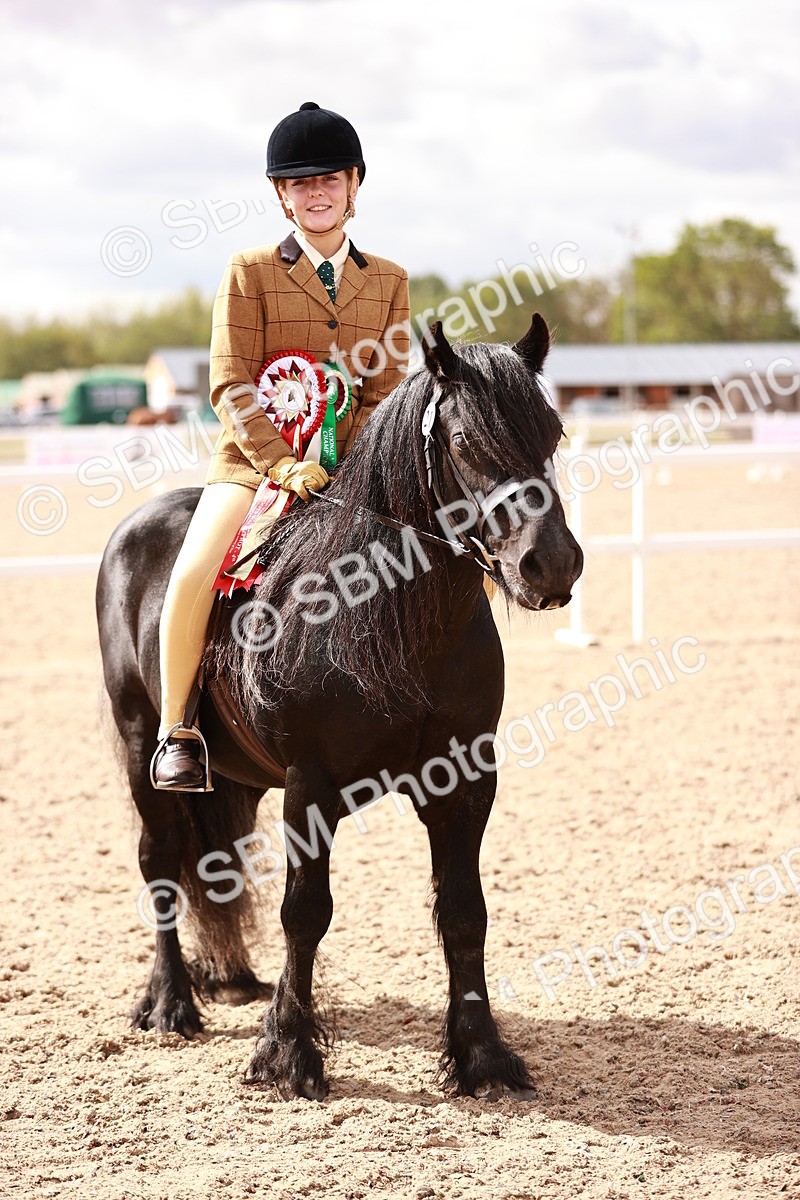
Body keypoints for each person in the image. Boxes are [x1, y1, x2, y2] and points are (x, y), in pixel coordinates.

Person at [151, 101, 410, 791]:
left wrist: (349, 461)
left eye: (329, 179)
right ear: (280, 195)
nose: (316, 193)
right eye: (300, 184)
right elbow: (230, 381)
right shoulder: (250, 270)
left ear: (355, 184)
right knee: (193, 572)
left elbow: (386, 389)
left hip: (353, 467)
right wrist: (283, 462)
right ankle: (177, 730)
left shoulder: (388, 280)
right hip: (253, 465)